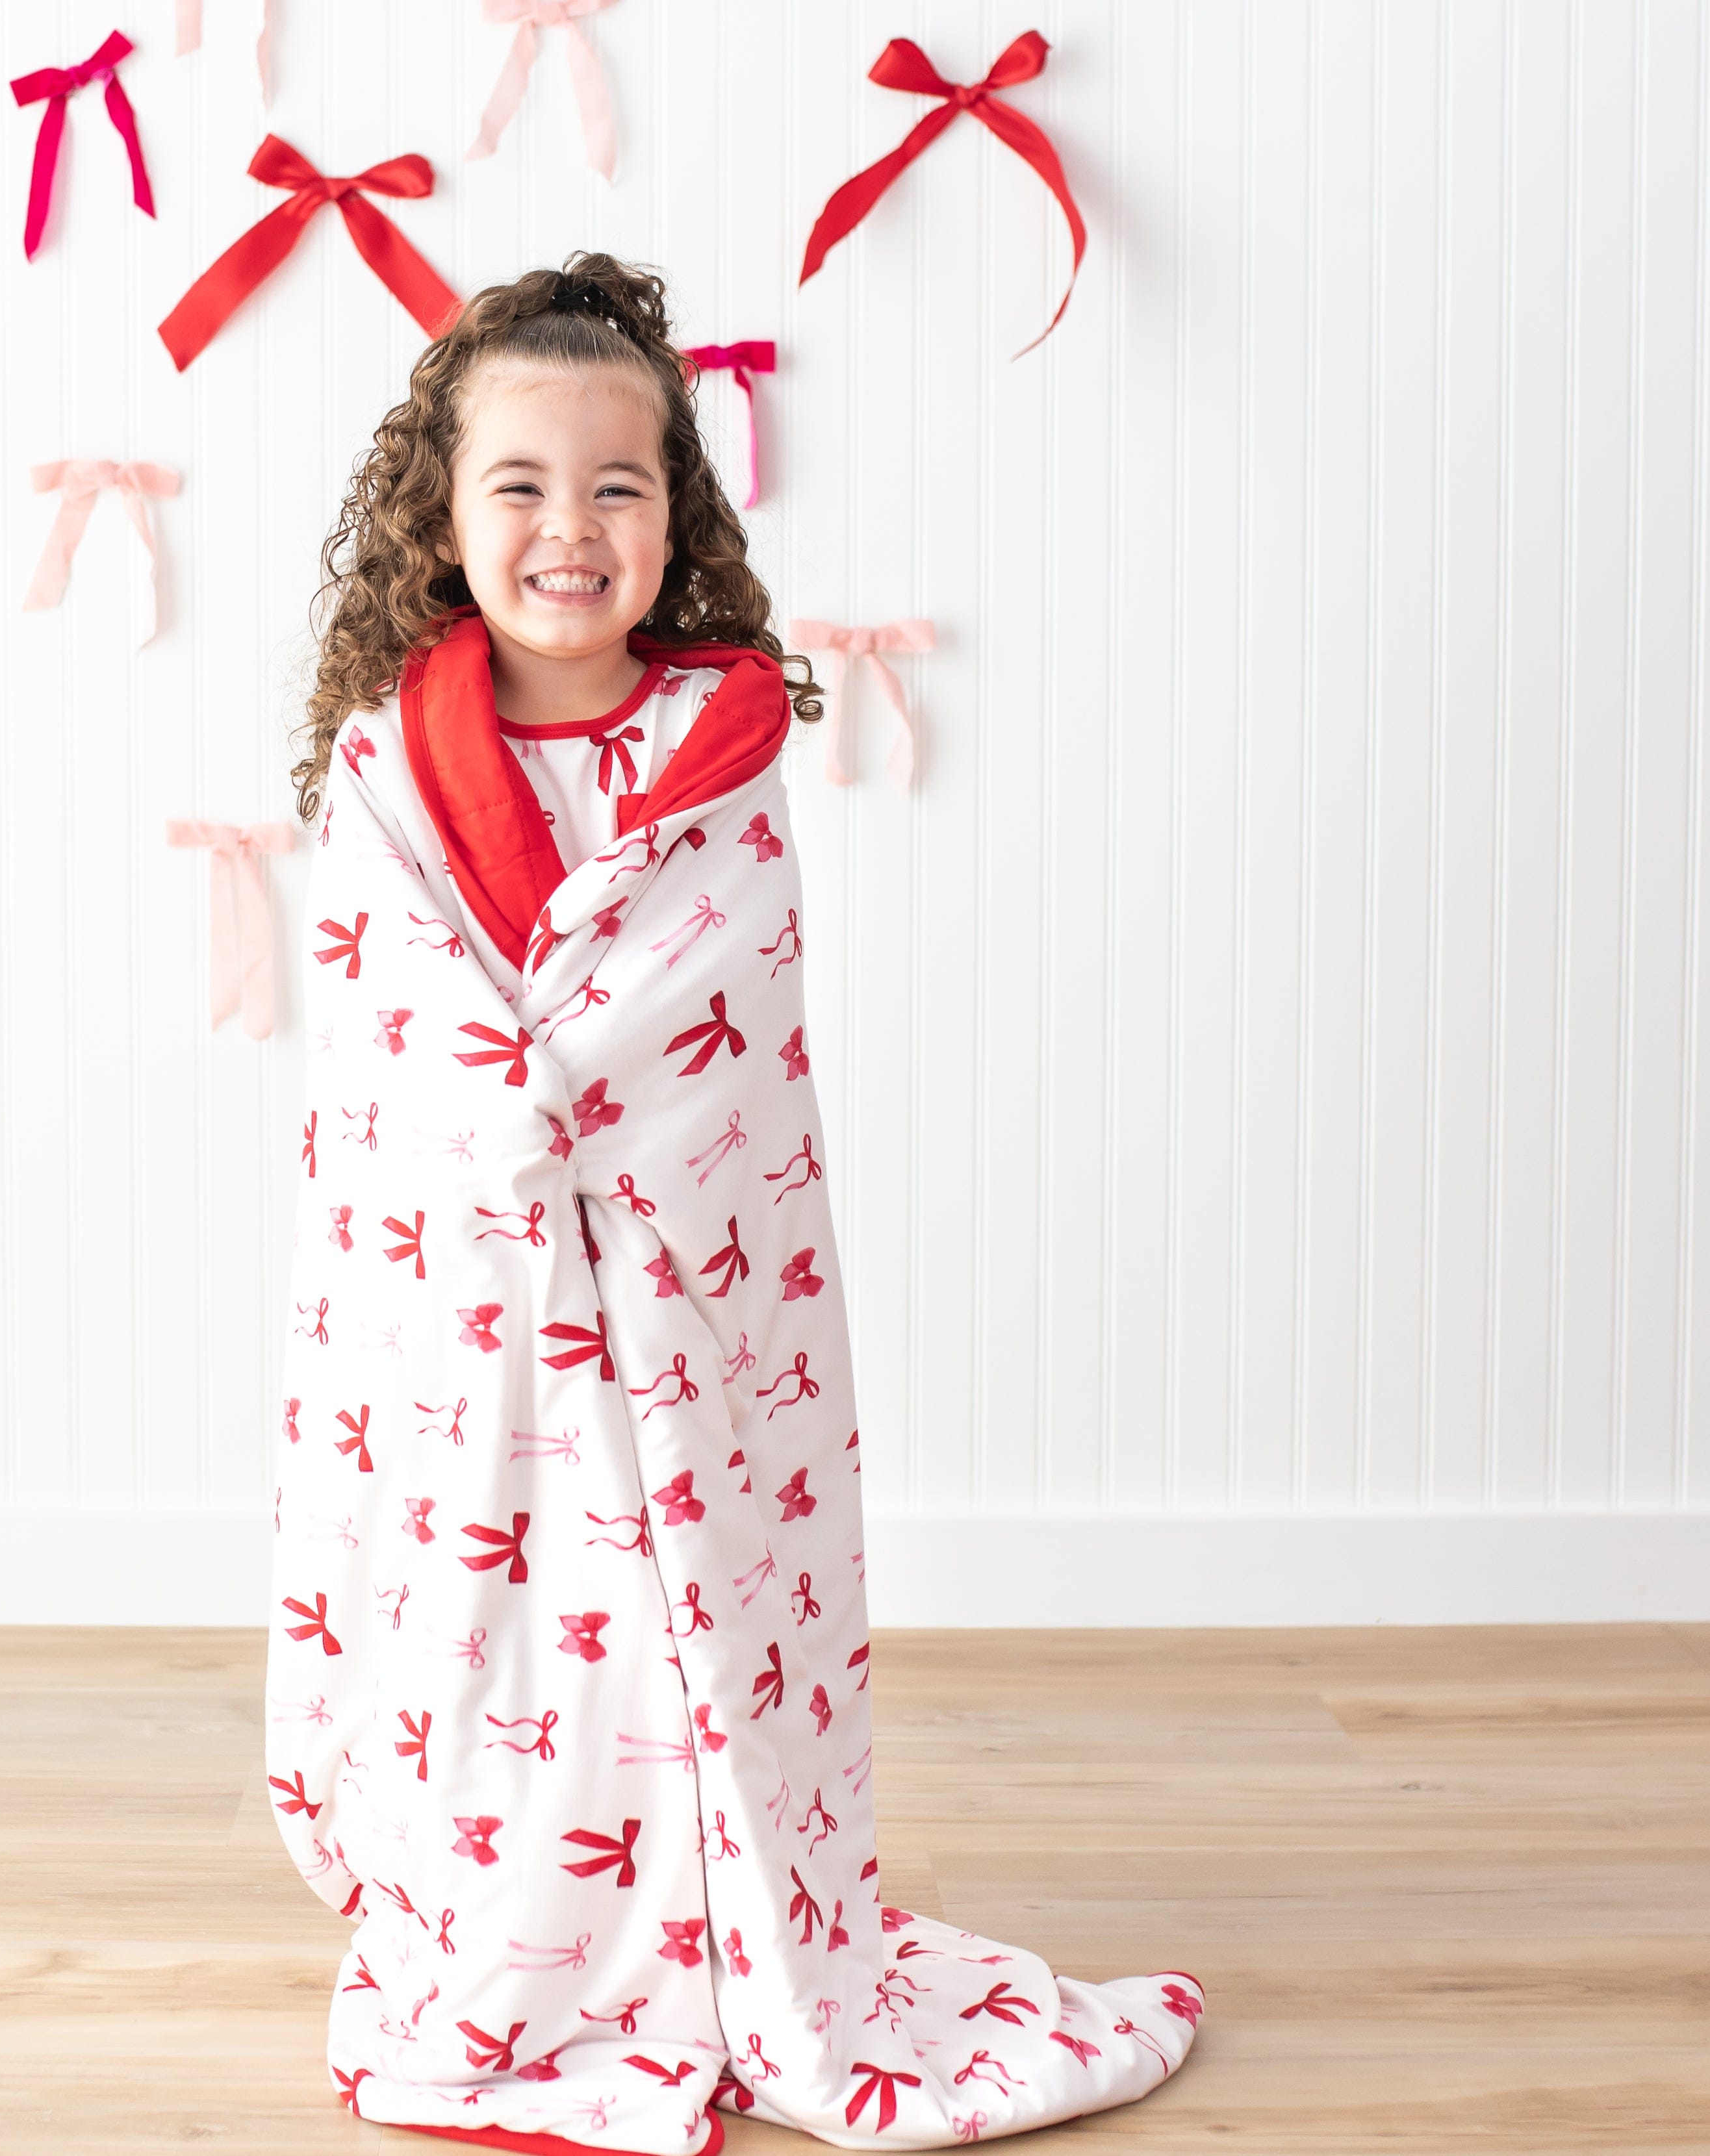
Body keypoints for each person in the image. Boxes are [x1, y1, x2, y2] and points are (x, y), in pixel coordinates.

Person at [266, 251, 1205, 2152]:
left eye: (619, 487)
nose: (568, 528)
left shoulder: (722, 767)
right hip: (472, 1327)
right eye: (519, 485)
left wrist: (559, 1092)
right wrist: (526, 1113)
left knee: (676, 1614)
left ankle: (707, 1939)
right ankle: (511, 1945)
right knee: (506, 1632)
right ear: (442, 516)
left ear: (677, 512)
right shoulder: (385, 768)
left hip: (686, 1317)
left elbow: (716, 1012)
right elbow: (391, 1024)